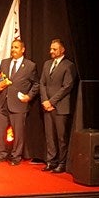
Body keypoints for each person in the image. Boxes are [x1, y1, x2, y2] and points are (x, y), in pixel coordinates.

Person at [0, 39, 39, 165]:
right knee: (0, 130)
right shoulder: (4, 63)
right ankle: (1, 154)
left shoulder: (30, 66)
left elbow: (36, 84)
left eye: (16, 47)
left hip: (18, 104)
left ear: (22, 50)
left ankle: (16, 156)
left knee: (18, 133)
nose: (13, 49)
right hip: (2, 103)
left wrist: (29, 96)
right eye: (12, 47)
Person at [39, 38, 78, 173]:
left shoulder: (69, 65)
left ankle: (62, 163)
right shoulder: (46, 64)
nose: (51, 51)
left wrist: (52, 101)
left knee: (61, 137)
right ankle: (51, 161)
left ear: (62, 50)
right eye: (51, 49)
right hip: (47, 106)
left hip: (60, 107)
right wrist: (45, 100)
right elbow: (42, 83)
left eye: (54, 49)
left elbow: (67, 86)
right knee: (50, 136)